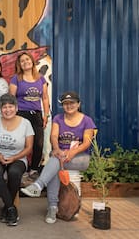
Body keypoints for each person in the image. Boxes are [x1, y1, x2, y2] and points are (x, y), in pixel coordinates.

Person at [21, 91, 96, 224]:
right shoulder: (58, 118)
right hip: (60, 155)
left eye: (72, 103)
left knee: (54, 163)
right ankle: (52, 207)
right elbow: (54, 136)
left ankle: (40, 188)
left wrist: (72, 153)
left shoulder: (87, 120)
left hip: (80, 157)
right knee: (55, 165)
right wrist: (56, 149)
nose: (69, 106)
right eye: (66, 104)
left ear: (78, 104)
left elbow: (86, 143)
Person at [0, 93, 34, 226]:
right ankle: (11, 208)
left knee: (14, 172)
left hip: (18, 156)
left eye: (11, 106)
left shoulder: (26, 123)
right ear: (0, 109)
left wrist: (14, 157)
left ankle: (6, 208)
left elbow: (29, 147)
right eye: (4, 107)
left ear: (16, 107)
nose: (8, 110)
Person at [9, 52, 49, 177]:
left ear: (32, 61)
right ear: (19, 64)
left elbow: (45, 98)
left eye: (27, 59)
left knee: (38, 143)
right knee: (21, 143)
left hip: (36, 114)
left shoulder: (40, 78)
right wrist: (12, 116)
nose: (25, 62)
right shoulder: (16, 78)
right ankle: (18, 167)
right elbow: (11, 98)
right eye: (22, 61)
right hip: (21, 114)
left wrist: (46, 115)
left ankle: (34, 169)